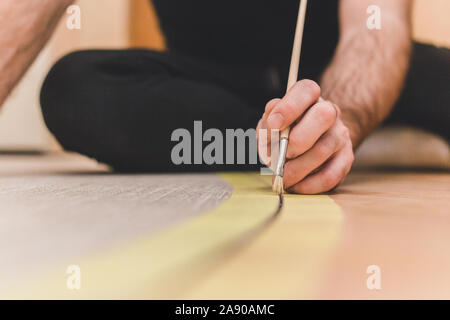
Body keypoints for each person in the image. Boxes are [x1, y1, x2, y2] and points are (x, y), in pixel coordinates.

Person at [0, 0, 448, 194]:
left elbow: (377, 25)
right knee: (76, 91)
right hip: (212, 89)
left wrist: (340, 117)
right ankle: (283, 146)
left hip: (339, 77)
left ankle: (333, 139)